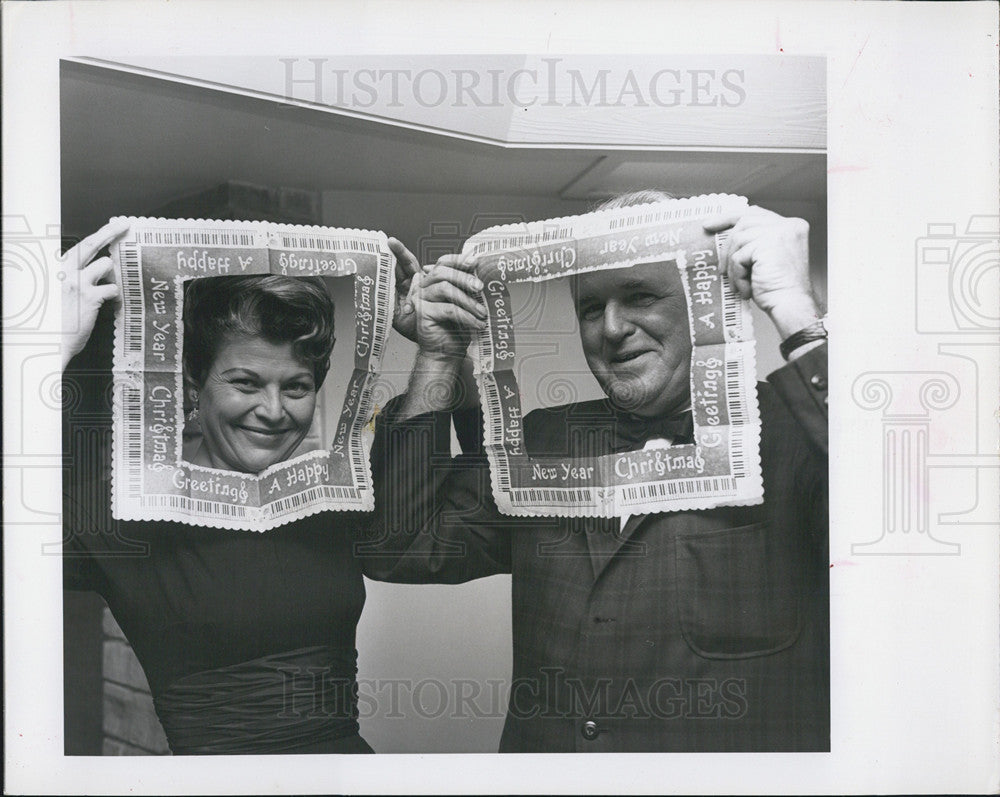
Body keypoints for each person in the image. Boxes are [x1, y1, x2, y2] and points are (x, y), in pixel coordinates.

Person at [367, 193, 830, 752]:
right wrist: (438, 358)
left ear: (703, 299)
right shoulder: (544, 442)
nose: (611, 328)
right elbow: (399, 547)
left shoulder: (805, 437)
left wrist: (798, 313)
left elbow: (893, 557)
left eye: (640, 296)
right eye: (591, 308)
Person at [62, 221, 373, 754]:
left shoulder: (331, 496)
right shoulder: (120, 506)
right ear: (192, 384)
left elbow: (429, 544)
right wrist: (40, 354)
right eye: (245, 382)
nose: (274, 412)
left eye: (296, 387)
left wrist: (443, 358)